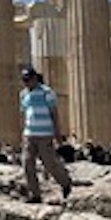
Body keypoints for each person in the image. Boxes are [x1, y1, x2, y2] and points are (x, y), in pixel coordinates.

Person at [18, 66, 72, 203]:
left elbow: (54, 114)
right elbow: (25, 114)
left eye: (28, 79)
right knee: (27, 163)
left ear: (35, 78)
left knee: (49, 163)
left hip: (45, 133)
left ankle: (65, 183)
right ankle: (35, 194)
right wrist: (23, 133)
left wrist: (57, 134)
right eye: (24, 80)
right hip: (29, 134)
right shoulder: (23, 94)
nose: (26, 83)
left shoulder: (47, 92)